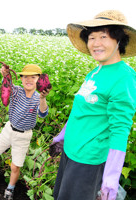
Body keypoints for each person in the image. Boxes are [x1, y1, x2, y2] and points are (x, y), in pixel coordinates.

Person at [50, 10, 136, 200]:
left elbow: (120, 130)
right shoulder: (96, 71)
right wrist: (62, 137)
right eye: (91, 37)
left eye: (103, 36)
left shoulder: (124, 77)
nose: (95, 43)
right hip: (71, 153)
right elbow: (81, 111)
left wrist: (111, 178)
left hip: (88, 162)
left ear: (119, 41)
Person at [0, 64, 50, 200]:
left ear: (39, 81)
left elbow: (43, 113)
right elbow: (7, 89)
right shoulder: (17, 91)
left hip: (23, 136)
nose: (29, 80)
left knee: (15, 167)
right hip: (8, 129)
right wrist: (6, 76)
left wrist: (43, 98)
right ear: (20, 79)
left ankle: (10, 188)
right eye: (25, 77)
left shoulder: (38, 98)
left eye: (33, 77)